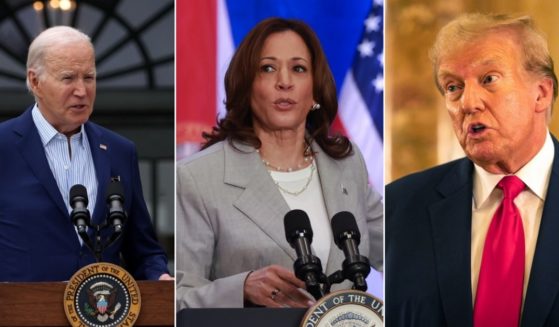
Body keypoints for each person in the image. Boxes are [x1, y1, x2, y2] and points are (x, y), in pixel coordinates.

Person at [176, 17, 383, 308]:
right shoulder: (197, 177)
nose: (284, 82)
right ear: (247, 86)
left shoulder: (347, 166)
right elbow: (179, 297)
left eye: (298, 69)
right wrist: (241, 288)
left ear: (314, 89)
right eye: (268, 68)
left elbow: (400, 253)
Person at [386, 13, 559, 326]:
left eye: (488, 79)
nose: (468, 102)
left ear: (541, 93)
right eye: (453, 87)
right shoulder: (398, 207)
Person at [0, 26, 171, 282]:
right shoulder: (4, 146)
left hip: (101, 314)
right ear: (35, 81)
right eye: (68, 78)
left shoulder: (120, 151)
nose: (82, 91)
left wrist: (160, 277)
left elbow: (144, 250)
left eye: (89, 77)